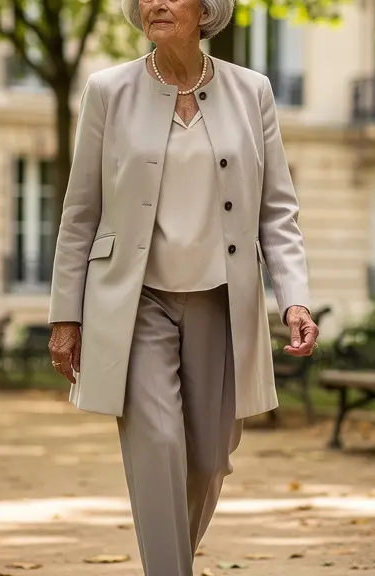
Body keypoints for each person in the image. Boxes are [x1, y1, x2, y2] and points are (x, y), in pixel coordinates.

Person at [46, 0, 319, 571]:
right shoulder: (107, 91)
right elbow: (81, 212)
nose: (156, 3)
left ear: (208, 8)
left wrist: (294, 298)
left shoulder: (253, 93)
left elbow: (277, 212)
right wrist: (65, 315)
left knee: (208, 461)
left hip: (221, 302)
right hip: (137, 302)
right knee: (159, 446)